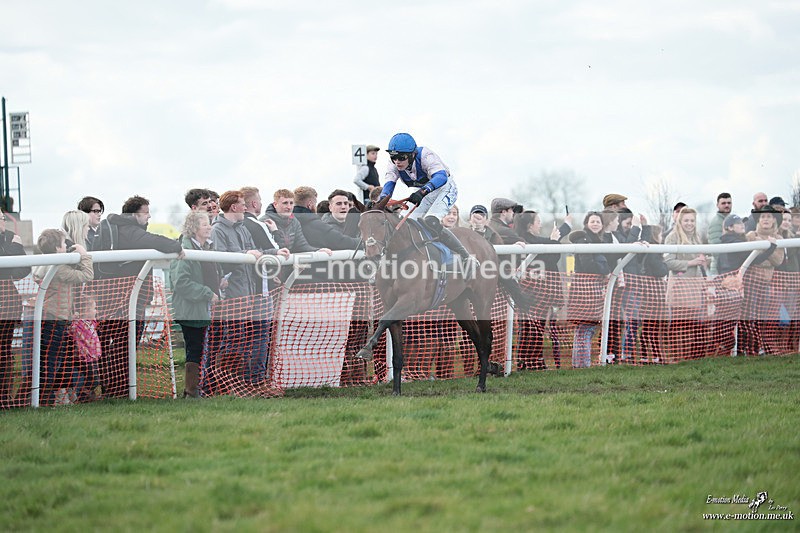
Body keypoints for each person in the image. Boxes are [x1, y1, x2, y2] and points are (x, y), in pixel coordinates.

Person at [102, 196, 184, 397]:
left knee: (122, 346)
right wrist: (176, 245)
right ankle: (118, 389)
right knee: (124, 346)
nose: (149, 217)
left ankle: (117, 388)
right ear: (134, 214)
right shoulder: (129, 230)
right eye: (146, 212)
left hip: (126, 298)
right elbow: (152, 240)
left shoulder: (124, 228)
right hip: (126, 300)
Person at [377, 132, 477, 273]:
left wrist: (423, 191)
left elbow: (441, 177)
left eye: (401, 157)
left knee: (431, 221)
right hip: (425, 191)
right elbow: (389, 186)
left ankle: (466, 256)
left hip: (444, 189)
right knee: (403, 225)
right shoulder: (393, 165)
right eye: (393, 157)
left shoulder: (426, 156)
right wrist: (380, 202)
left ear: (412, 155)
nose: (397, 161)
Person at [33, 229, 93, 405]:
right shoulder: (59, 268)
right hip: (56, 318)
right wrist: (84, 255)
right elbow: (87, 275)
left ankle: (47, 395)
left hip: (52, 316)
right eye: (64, 243)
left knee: (49, 358)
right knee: (52, 360)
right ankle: (46, 397)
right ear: (57, 249)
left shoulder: (47, 262)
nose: (67, 245)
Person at [170, 211, 224, 398]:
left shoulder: (204, 248)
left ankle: (196, 389)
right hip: (191, 308)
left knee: (199, 348)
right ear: (194, 228)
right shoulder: (184, 249)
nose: (209, 227)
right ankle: (191, 391)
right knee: (195, 349)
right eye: (204, 224)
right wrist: (207, 293)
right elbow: (181, 282)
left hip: (203, 307)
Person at [663, 207, 709, 360]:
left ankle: (694, 359)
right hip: (679, 287)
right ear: (680, 221)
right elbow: (668, 262)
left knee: (696, 325)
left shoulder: (697, 237)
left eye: (692, 220)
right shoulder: (672, 237)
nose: (689, 223)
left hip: (696, 287)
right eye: (686, 220)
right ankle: (676, 358)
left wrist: (703, 263)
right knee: (679, 325)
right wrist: (691, 263)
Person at [740, 205, 784, 356]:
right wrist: (769, 249)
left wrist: (766, 247)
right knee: (749, 315)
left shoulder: (779, 239)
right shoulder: (751, 236)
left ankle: (759, 346)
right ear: (758, 219)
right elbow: (753, 261)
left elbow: (778, 261)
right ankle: (747, 347)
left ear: (774, 220)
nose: (766, 219)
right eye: (763, 216)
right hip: (751, 282)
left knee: (762, 316)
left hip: (767, 283)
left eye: (769, 217)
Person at [567, 212, 610, 368]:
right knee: (585, 327)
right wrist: (604, 270)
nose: (595, 224)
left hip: (591, 289)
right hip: (585, 291)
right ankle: (582, 364)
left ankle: (579, 364)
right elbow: (588, 265)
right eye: (592, 221)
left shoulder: (597, 241)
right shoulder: (584, 240)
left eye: (598, 221)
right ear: (586, 223)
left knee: (584, 329)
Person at [0, 209, 29, 407]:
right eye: (1, 219)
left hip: (8, 303)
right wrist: (14, 247)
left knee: (5, 351)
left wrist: (13, 249)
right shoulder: (13, 241)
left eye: (3, 218)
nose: (3, 222)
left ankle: (4, 396)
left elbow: (23, 269)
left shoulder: (9, 237)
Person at [292, 186, 357, 250]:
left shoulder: (289, 223)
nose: (343, 207)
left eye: (346, 203)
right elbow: (341, 242)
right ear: (310, 204)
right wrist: (362, 242)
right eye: (315, 203)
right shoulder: (316, 226)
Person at [70, 291, 104, 401]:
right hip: (85, 357)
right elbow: (72, 332)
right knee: (93, 379)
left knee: (95, 379)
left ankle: (87, 396)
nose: (96, 311)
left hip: (93, 357)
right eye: (94, 308)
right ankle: (82, 395)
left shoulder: (92, 322)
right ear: (85, 310)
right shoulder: (78, 323)